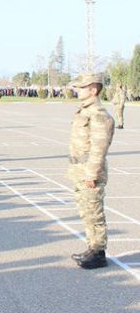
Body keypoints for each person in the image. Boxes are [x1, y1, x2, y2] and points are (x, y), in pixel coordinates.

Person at [69, 73, 114, 269]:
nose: (78, 90)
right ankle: (92, 247)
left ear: (93, 90)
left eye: (81, 87)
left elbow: (99, 147)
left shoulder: (98, 114)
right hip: (80, 169)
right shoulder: (84, 111)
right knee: (86, 210)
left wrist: (91, 173)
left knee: (94, 212)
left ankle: (98, 253)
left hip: (89, 171)